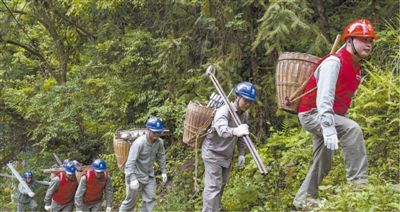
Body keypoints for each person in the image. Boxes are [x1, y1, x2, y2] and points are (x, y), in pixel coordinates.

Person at [293, 19, 377, 209]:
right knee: (352, 129)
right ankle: (359, 186)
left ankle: (303, 200)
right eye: (363, 39)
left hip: (328, 116)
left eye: (370, 40)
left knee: (324, 161)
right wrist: (329, 127)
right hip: (313, 113)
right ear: (349, 41)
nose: (368, 44)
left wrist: (333, 124)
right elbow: (324, 98)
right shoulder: (334, 62)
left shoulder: (356, 67)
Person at [201, 82, 256, 212]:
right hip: (212, 153)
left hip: (226, 156)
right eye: (245, 100)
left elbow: (242, 136)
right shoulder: (224, 110)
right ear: (237, 97)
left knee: (220, 187)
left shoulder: (245, 115)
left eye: (250, 102)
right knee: (213, 187)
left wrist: (241, 153)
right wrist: (236, 131)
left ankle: (214, 209)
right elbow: (221, 130)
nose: (248, 104)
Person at [119, 117, 168, 212]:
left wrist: (164, 172)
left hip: (149, 175)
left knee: (150, 199)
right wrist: (132, 178)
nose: (157, 135)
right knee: (130, 203)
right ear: (148, 130)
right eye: (154, 132)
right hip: (135, 175)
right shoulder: (139, 143)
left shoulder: (159, 143)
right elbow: (130, 162)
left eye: (159, 132)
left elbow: (161, 157)